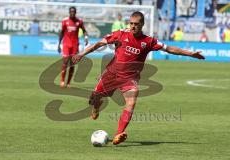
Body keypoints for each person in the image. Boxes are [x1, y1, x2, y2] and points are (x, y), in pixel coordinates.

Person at [72, 11, 204, 145]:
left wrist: (190, 53)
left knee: (131, 103)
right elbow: (99, 44)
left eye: (136, 24)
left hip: (130, 79)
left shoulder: (148, 41)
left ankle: (119, 133)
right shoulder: (120, 34)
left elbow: (169, 48)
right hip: (111, 75)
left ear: (142, 24)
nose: (133, 26)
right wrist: (81, 54)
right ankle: (96, 106)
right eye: (131, 23)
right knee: (93, 99)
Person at [58, 6, 88, 88]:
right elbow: (61, 33)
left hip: (75, 45)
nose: (72, 13)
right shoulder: (65, 21)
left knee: (72, 64)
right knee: (65, 63)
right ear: (69, 12)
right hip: (66, 45)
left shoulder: (79, 21)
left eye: (74, 12)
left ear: (75, 12)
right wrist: (59, 44)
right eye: (71, 12)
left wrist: (86, 38)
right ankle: (62, 81)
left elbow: (84, 30)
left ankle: (68, 83)